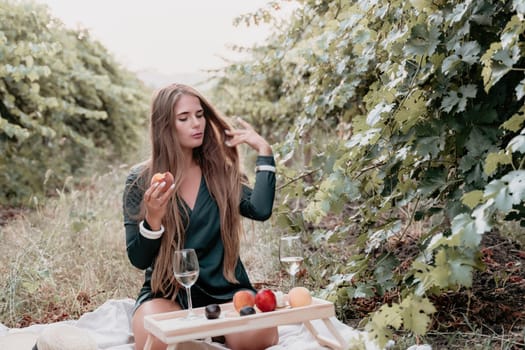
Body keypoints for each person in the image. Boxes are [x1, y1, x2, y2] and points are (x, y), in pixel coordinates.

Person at [122, 83, 278, 350]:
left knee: (260, 336)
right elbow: (139, 259)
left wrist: (264, 151)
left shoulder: (219, 172)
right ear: (165, 126)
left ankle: (209, 336)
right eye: (184, 118)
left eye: (199, 115)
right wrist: (153, 219)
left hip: (227, 290)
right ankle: (208, 337)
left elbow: (260, 210)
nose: (197, 124)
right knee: (153, 340)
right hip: (168, 294)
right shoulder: (141, 180)